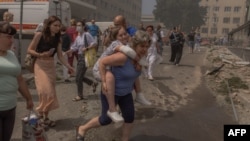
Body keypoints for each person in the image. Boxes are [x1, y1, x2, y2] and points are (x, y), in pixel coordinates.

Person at [76, 30, 151, 141]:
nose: (145, 49)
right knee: (106, 120)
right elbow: (102, 62)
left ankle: (125, 139)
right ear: (134, 45)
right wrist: (104, 81)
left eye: (147, 46)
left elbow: (134, 76)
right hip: (111, 92)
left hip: (126, 93)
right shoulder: (123, 57)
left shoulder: (139, 59)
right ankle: (82, 128)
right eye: (142, 46)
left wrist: (138, 92)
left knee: (129, 117)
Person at [27, 16, 74, 127]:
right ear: (48, 25)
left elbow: (60, 56)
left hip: (50, 65)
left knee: (50, 93)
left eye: (59, 26)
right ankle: (40, 113)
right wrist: (40, 54)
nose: (57, 28)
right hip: (40, 64)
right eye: (55, 25)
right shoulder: (39, 35)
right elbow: (29, 50)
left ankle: (45, 116)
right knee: (46, 91)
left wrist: (68, 66)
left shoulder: (58, 39)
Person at [93, 26, 145, 123]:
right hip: (99, 69)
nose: (124, 36)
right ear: (116, 37)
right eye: (120, 35)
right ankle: (112, 109)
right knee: (110, 77)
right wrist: (140, 60)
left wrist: (137, 63)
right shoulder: (116, 44)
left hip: (108, 66)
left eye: (125, 33)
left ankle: (139, 94)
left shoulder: (127, 43)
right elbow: (129, 52)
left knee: (133, 73)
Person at [0, 21, 34, 141]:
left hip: (10, 108)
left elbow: (20, 79)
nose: (12, 40)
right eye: (8, 37)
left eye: (13, 37)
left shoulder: (11, 55)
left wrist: (29, 98)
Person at [112, 15, 151, 105]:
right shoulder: (114, 31)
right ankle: (114, 106)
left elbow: (140, 45)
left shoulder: (132, 31)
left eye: (118, 24)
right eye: (115, 24)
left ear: (124, 24)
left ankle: (139, 94)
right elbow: (108, 42)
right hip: (116, 59)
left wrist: (138, 61)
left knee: (133, 75)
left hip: (130, 58)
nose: (116, 26)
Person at [67, 21, 98, 101]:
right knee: (79, 76)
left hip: (85, 57)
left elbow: (94, 43)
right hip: (80, 57)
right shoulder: (78, 37)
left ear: (84, 26)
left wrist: (87, 48)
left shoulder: (86, 35)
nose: (78, 27)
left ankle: (80, 95)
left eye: (80, 25)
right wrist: (69, 51)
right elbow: (75, 47)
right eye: (77, 25)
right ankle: (92, 83)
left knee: (78, 77)